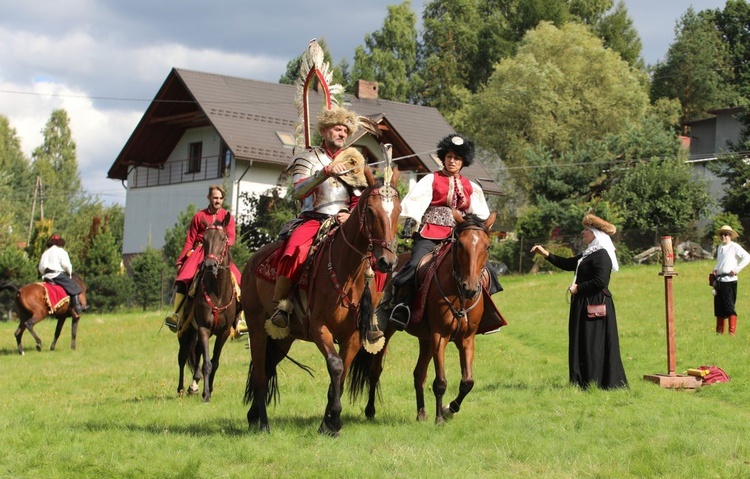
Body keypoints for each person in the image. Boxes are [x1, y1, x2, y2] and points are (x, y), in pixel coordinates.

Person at [266, 105, 372, 340]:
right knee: (295, 248)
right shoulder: (308, 157)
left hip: (344, 222)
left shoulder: (354, 159)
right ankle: (283, 305)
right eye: (337, 129)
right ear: (325, 131)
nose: (342, 134)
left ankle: (371, 312)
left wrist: (351, 215)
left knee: (373, 255)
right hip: (314, 218)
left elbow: (359, 198)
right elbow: (297, 192)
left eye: (345, 130)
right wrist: (325, 172)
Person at [389, 133, 495, 328]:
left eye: (457, 158)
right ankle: (401, 306)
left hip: (459, 238)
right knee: (414, 266)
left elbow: (479, 215)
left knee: (487, 271)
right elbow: (414, 203)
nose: (452, 161)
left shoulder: (471, 187)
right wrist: (410, 222)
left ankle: (485, 314)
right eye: (449, 157)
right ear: (444, 158)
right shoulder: (431, 179)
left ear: (463, 162)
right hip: (430, 233)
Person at [530, 214, 628, 390]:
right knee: (582, 341)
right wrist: (545, 253)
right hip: (584, 303)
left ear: (595, 234)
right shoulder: (589, 254)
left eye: (586, 230)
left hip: (596, 304)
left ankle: (596, 382)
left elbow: (601, 282)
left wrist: (578, 288)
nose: (583, 233)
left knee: (592, 343)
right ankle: (583, 382)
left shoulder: (602, 255)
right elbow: (568, 264)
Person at [164, 185, 244, 334]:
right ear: (209, 198)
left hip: (220, 252)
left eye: (220, 198)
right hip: (201, 251)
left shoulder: (228, 217)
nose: (218, 201)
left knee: (239, 280)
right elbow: (190, 239)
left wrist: (224, 244)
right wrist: (181, 261)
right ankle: (178, 316)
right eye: (215, 198)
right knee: (185, 277)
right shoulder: (199, 216)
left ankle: (239, 320)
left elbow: (232, 237)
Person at [712, 225, 750, 335]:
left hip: (729, 281)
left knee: (729, 307)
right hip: (719, 281)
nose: (723, 236)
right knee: (719, 308)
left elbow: (747, 257)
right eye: (722, 234)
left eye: (726, 234)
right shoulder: (720, 247)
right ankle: (719, 332)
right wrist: (716, 269)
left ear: (730, 236)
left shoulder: (734, 246)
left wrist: (736, 269)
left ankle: (731, 332)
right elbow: (721, 262)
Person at [38, 234, 83, 316]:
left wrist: (44, 274)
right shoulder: (61, 251)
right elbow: (67, 265)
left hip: (47, 276)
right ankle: (77, 307)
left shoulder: (45, 252)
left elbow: (40, 267)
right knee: (74, 286)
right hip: (57, 275)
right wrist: (69, 273)